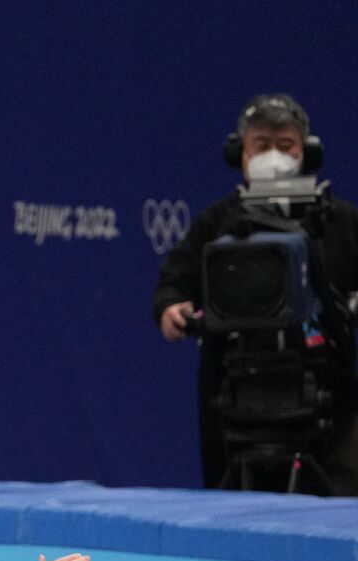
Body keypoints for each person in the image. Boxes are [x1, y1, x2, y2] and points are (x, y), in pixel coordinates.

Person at [153, 93, 358, 492]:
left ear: (307, 152)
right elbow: (174, 282)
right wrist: (171, 307)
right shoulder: (218, 221)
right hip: (234, 394)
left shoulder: (339, 221)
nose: (274, 155)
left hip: (328, 393)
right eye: (262, 145)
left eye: (286, 145)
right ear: (240, 154)